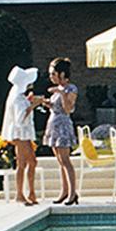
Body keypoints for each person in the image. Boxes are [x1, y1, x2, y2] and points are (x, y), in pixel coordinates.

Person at [35, 59, 80, 205]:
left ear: (62, 73)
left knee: (66, 160)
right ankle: (64, 190)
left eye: (53, 73)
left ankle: (72, 193)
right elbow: (56, 107)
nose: (51, 77)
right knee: (60, 161)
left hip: (63, 126)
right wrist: (45, 102)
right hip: (53, 125)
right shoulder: (57, 90)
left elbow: (68, 109)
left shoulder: (70, 88)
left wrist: (61, 93)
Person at [1, 66, 40, 204]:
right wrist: (33, 105)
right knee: (24, 162)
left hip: (23, 134)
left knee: (31, 162)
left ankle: (31, 193)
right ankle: (20, 194)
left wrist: (29, 102)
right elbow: (20, 118)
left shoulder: (18, 96)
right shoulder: (17, 98)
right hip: (20, 133)